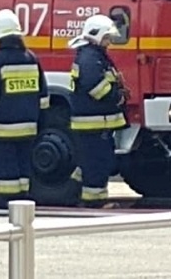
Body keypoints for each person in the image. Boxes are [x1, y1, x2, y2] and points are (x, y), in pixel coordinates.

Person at [0, 9, 49, 210]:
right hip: (29, 126)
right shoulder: (31, 58)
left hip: (4, 127)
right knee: (24, 164)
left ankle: (3, 201)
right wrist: (40, 119)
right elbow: (43, 94)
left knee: (4, 164)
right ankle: (23, 200)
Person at [68, 14, 129, 209]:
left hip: (97, 123)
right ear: (96, 35)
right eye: (106, 37)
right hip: (94, 123)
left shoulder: (94, 55)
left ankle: (73, 191)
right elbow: (95, 88)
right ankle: (94, 201)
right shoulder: (89, 58)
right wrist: (116, 96)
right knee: (97, 164)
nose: (109, 42)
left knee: (91, 161)